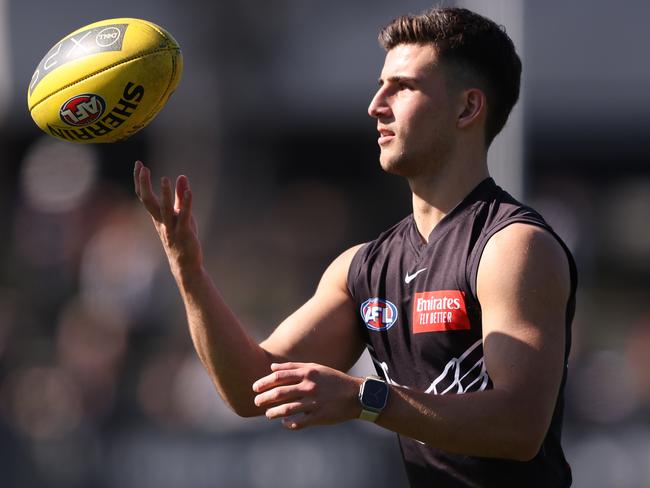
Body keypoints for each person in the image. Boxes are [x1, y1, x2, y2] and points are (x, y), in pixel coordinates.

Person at [134, 7, 576, 487]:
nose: (375, 105)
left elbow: (519, 426)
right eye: (380, 85)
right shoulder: (363, 267)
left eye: (402, 87)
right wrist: (190, 274)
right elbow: (252, 389)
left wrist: (366, 398)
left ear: (468, 109)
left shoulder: (512, 246)